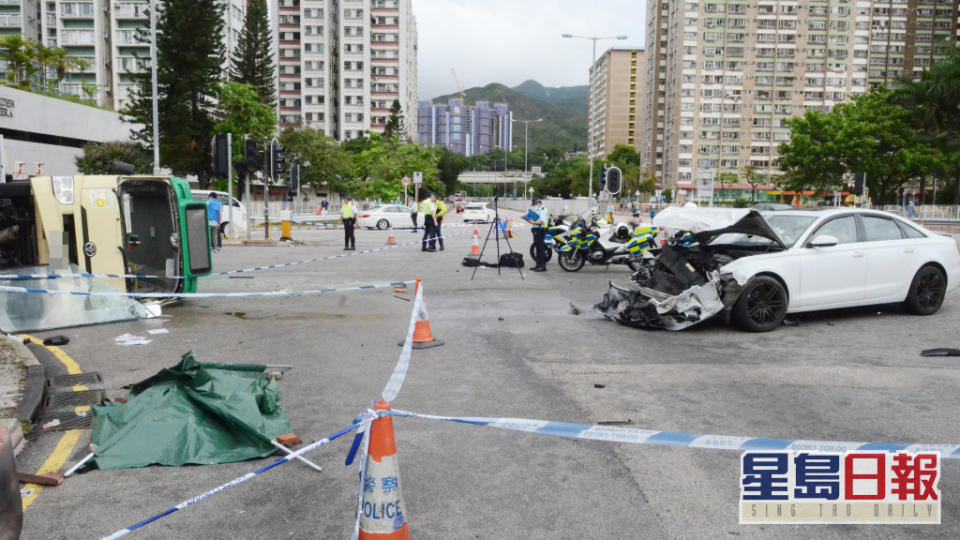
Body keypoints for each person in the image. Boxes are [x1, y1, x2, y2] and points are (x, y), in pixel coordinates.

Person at [527, 197, 549, 272]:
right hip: (537, 230)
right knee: (538, 249)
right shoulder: (538, 210)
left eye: (535, 204)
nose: (534, 206)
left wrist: (532, 222)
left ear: (538, 203)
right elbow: (537, 220)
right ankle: (538, 265)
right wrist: (529, 220)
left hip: (540, 230)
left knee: (541, 249)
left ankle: (542, 266)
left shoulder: (542, 210)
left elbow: (542, 222)